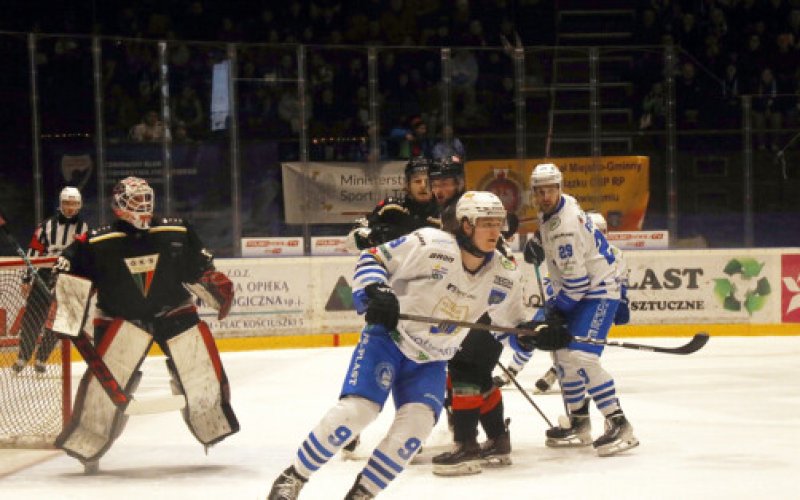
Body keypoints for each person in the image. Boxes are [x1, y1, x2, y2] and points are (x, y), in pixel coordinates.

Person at [267, 191, 571, 499]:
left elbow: (512, 326)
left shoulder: (504, 273)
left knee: (415, 429)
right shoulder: (430, 244)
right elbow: (373, 258)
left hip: (432, 360)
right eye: (486, 223)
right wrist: (377, 291)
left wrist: (537, 333)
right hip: (389, 340)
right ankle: (292, 478)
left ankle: (361, 495)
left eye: (499, 223)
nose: (496, 231)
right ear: (466, 225)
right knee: (357, 412)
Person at [51, 176, 239, 473]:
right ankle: (89, 443)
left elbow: (199, 268)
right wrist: (65, 302)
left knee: (201, 371)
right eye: (136, 200)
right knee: (102, 390)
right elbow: (70, 272)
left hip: (173, 311)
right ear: (119, 204)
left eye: (146, 199)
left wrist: (213, 285)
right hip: (119, 317)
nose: (143, 206)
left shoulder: (176, 230)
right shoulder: (96, 241)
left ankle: (210, 425)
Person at [528, 163, 637, 457]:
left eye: (550, 190)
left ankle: (619, 424)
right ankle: (579, 424)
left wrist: (556, 312)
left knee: (582, 355)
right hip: (581, 291)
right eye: (540, 191)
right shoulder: (563, 206)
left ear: (559, 188)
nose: (545, 196)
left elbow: (577, 284)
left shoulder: (565, 228)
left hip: (598, 291)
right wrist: (538, 241)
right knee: (563, 356)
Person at [12, 187, 88, 374]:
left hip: (69, 277)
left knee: (59, 320)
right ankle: (23, 356)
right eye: (67, 203)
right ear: (60, 204)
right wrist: (27, 278)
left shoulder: (84, 229)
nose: (70, 208)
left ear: (79, 205)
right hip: (45, 274)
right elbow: (33, 252)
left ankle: (42, 358)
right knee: (33, 315)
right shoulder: (45, 226)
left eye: (74, 204)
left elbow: (86, 255)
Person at [346, 157, 440, 252]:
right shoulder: (391, 208)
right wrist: (372, 237)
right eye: (417, 181)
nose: (423, 186)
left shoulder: (443, 215)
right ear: (407, 185)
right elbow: (350, 244)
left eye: (428, 182)